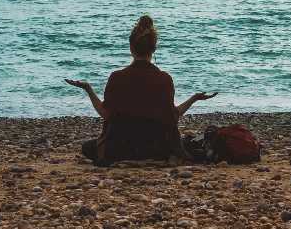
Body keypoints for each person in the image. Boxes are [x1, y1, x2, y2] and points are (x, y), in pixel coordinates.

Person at [65, 15, 217, 165]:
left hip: (120, 148)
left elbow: (106, 114)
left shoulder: (117, 77)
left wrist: (89, 89)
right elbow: (172, 117)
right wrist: (193, 99)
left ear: (131, 47)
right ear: (154, 49)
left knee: (88, 147)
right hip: (156, 148)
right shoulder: (164, 79)